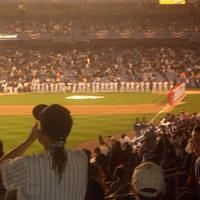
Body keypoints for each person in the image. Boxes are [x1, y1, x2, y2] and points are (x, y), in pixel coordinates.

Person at [0, 104, 88, 200]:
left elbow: (2, 166)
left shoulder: (27, 165)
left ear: (41, 132)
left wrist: (29, 141)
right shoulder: (81, 157)